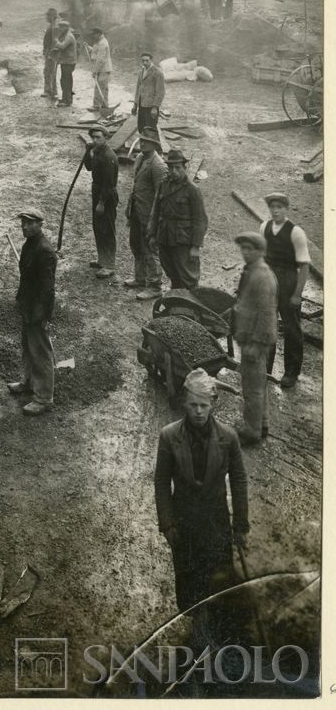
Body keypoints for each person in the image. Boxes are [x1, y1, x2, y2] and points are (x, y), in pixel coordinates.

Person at [154, 368, 249, 615]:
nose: (198, 411)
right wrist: (167, 524)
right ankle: (195, 626)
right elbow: (162, 482)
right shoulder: (169, 436)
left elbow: (238, 480)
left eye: (203, 405)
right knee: (188, 582)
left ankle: (217, 625)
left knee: (219, 581)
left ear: (213, 404)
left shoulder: (229, 438)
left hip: (216, 522)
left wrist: (240, 524)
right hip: (183, 523)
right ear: (185, 403)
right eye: (193, 404)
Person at [7, 210, 57, 417]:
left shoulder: (44, 250)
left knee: (40, 350)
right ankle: (28, 382)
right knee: (27, 346)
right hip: (27, 304)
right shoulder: (30, 244)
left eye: (29, 223)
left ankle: (44, 398)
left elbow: (47, 288)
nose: (24, 227)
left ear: (39, 224)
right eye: (23, 223)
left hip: (36, 308)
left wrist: (41, 313)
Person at [231, 232, 279, 445]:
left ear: (260, 251)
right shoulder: (251, 271)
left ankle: (251, 432)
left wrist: (257, 344)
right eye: (243, 248)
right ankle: (263, 423)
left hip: (255, 340)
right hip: (249, 337)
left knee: (252, 388)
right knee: (259, 383)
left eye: (250, 249)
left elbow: (267, 314)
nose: (245, 252)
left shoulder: (263, 277)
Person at [260, 193, 310, 389]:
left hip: (289, 280)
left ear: (286, 209)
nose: (276, 210)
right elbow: (261, 257)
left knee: (291, 328)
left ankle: (291, 371)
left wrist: (297, 294)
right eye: (273, 207)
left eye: (280, 207)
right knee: (267, 324)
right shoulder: (264, 227)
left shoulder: (296, 232)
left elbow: (304, 266)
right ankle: (266, 367)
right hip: (269, 281)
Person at [148, 150, 208, 290]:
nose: (174, 171)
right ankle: (177, 304)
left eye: (177, 168)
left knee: (188, 277)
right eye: (170, 168)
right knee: (171, 272)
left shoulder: (192, 190)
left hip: (183, 240)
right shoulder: (164, 185)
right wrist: (152, 234)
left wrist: (195, 246)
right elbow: (156, 211)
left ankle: (191, 306)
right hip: (165, 236)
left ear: (184, 168)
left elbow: (200, 220)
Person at [125, 128, 167, 299]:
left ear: (154, 145)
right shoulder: (141, 158)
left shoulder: (158, 166)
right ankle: (140, 278)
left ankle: (155, 286)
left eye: (146, 141)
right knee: (136, 244)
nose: (142, 143)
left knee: (150, 249)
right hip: (136, 210)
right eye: (141, 140)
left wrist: (155, 220)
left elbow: (162, 195)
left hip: (149, 215)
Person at [83, 125, 119, 279]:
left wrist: (102, 203)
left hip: (107, 195)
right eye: (93, 137)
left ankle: (109, 265)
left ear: (106, 138)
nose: (95, 140)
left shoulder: (108, 156)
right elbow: (89, 167)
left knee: (107, 229)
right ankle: (102, 259)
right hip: (97, 192)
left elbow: (109, 184)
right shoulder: (97, 152)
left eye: (98, 137)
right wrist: (87, 152)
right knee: (98, 227)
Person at [132, 51, 166, 131]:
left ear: (151, 60)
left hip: (150, 107)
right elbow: (138, 89)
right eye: (143, 61)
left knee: (150, 130)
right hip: (141, 105)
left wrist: (155, 107)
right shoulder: (141, 72)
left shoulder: (157, 73)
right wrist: (135, 105)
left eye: (147, 60)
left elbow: (160, 92)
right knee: (141, 128)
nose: (145, 62)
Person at [85, 26, 113, 111]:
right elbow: (95, 51)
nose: (93, 36)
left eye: (94, 34)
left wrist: (95, 71)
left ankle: (96, 106)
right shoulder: (99, 41)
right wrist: (88, 47)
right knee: (104, 87)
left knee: (99, 87)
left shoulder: (102, 43)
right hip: (103, 69)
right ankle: (105, 105)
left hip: (103, 69)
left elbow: (101, 59)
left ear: (98, 34)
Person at [51, 19, 77, 107]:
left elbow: (62, 46)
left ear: (66, 27)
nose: (60, 29)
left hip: (69, 62)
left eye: (61, 27)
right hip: (66, 61)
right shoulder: (66, 35)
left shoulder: (69, 36)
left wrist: (55, 41)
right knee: (64, 80)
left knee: (67, 81)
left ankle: (67, 100)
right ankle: (65, 98)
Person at [41, 8, 59, 100]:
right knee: (49, 71)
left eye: (48, 15)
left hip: (51, 52)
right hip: (49, 51)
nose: (46, 17)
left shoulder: (54, 27)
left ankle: (49, 91)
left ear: (52, 16)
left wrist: (50, 53)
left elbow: (55, 41)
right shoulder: (52, 26)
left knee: (49, 71)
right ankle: (51, 90)